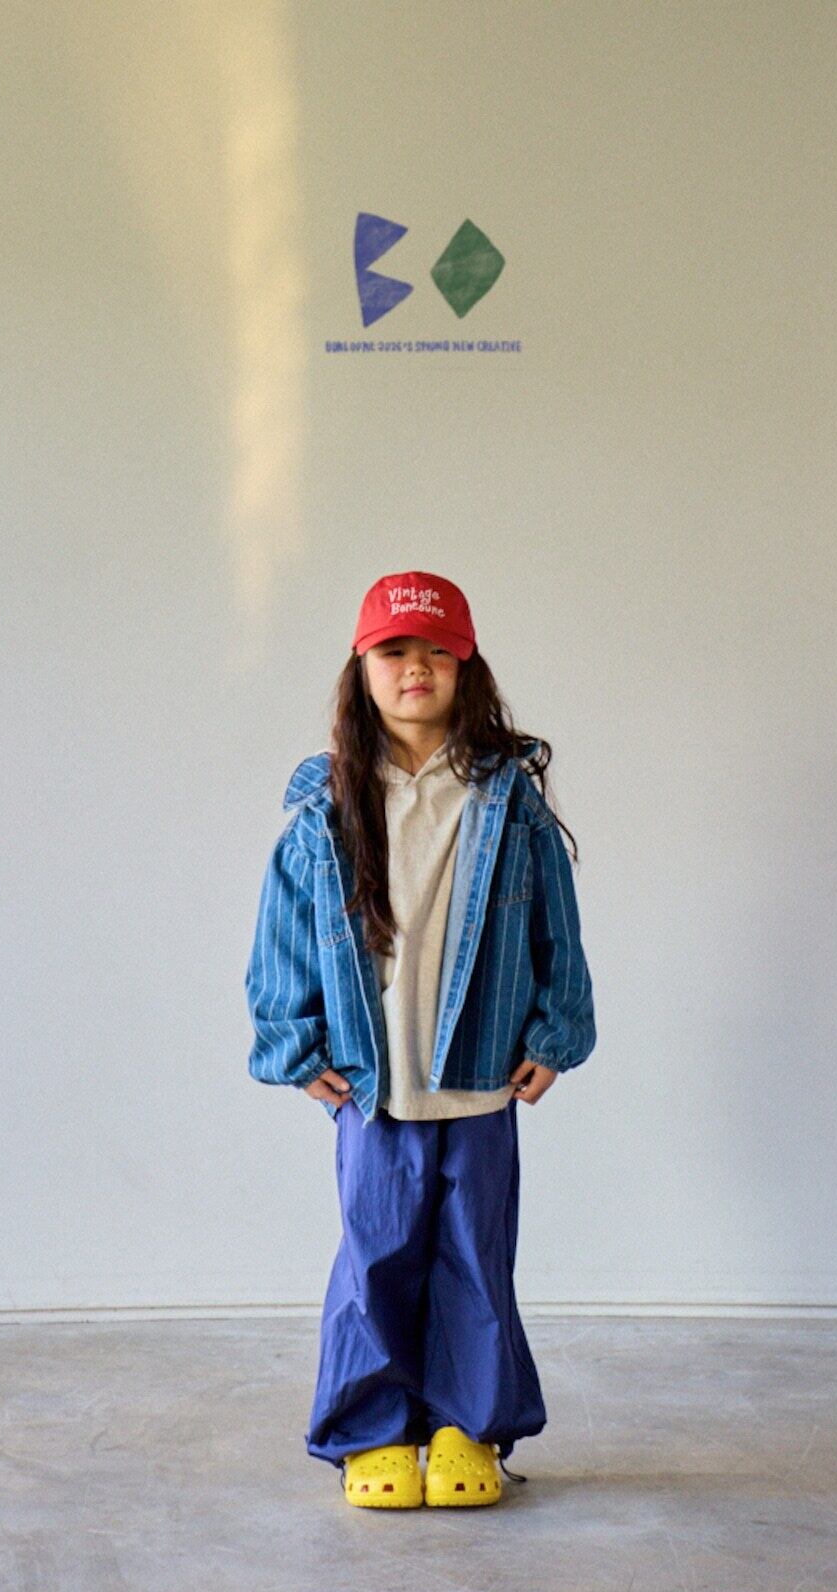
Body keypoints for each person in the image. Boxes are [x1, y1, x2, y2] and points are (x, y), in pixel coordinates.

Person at [244, 568, 596, 1509]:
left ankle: (464, 1427)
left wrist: (557, 1029)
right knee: (377, 1252)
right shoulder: (327, 803)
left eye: (437, 650)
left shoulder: (505, 795)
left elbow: (555, 922)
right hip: (375, 1079)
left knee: (475, 1255)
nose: (416, 668)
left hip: (480, 1070)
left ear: (467, 666)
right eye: (394, 650)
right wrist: (292, 1042)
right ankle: (374, 1431)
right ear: (361, 667)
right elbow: (284, 928)